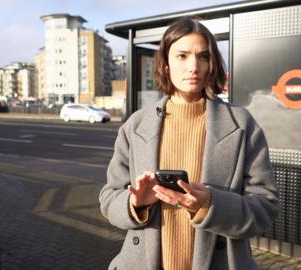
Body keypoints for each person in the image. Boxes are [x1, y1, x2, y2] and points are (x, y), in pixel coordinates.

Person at [99, 17, 279, 270]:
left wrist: (210, 204)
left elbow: (264, 208)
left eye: (203, 57)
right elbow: (109, 198)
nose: (193, 66)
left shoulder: (242, 124)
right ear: (165, 63)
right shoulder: (136, 125)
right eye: (182, 56)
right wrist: (135, 203)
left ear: (211, 63)